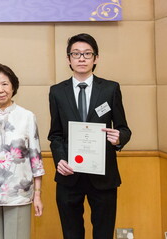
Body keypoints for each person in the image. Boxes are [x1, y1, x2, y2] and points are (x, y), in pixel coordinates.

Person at [48, 33, 131, 239]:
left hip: (103, 175)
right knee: (71, 233)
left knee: (103, 233)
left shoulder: (110, 89)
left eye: (87, 54)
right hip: (70, 174)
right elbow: (55, 135)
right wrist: (60, 160)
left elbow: (124, 128)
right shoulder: (57, 92)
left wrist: (119, 138)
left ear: (96, 58)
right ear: (68, 59)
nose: (82, 58)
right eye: (76, 54)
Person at [0, 63, 45, 239]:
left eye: (5, 84)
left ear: (13, 86)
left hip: (19, 193)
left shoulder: (27, 116)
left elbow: (36, 158)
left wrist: (37, 195)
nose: (0, 90)